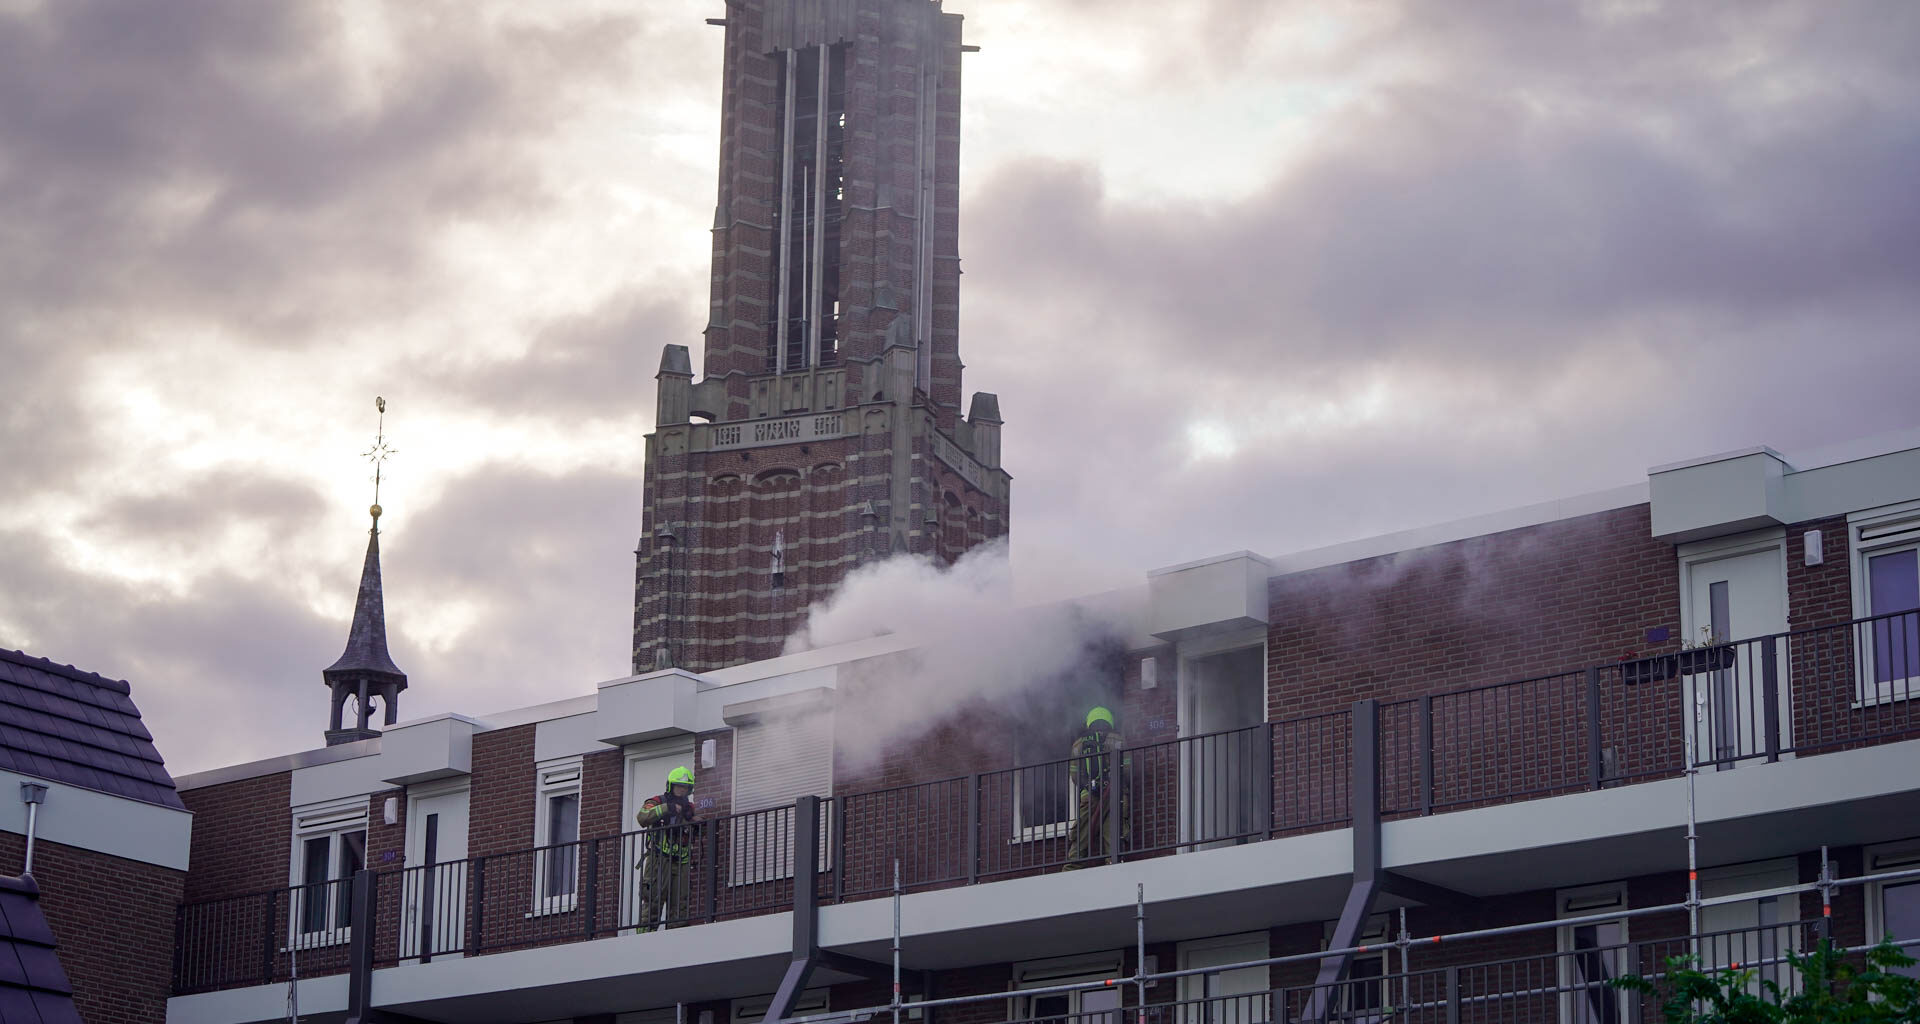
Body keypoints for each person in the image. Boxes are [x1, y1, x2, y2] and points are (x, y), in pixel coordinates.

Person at [634, 765, 698, 932]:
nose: (682, 791)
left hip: (682, 861)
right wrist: (666, 809)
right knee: (653, 902)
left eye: (685, 788)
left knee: (680, 907)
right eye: (679, 786)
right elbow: (642, 817)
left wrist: (697, 822)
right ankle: (644, 940)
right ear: (671, 786)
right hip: (658, 860)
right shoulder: (658, 801)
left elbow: (698, 832)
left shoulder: (690, 809)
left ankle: (675, 944)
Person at [1064, 706, 1128, 869]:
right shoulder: (1118, 739)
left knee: (1083, 830)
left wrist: (1089, 786)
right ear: (1109, 721)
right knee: (1113, 828)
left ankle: (1073, 865)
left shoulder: (1079, 744)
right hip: (1116, 794)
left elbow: (1074, 774)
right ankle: (1114, 861)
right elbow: (1127, 768)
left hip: (1089, 796)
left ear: (1089, 722)